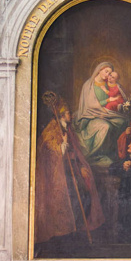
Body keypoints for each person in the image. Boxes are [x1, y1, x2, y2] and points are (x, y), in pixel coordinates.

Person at [35, 99, 104, 248]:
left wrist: (80, 166)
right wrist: (62, 146)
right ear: (61, 115)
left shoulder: (68, 129)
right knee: (69, 196)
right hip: (59, 173)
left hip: (72, 169)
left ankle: (78, 228)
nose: (70, 115)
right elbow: (48, 149)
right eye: (67, 113)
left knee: (83, 191)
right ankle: (65, 233)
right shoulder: (52, 129)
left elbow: (76, 152)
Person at [74, 62, 129, 167]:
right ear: (99, 70)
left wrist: (119, 104)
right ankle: (94, 155)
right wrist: (108, 100)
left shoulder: (109, 84)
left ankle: (111, 152)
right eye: (106, 71)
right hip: (91, 115)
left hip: (106, 113)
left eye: (110, 73)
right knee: (105, 126)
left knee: (122, 122)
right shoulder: (89, 85)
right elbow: (90, 105)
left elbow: (116, 97)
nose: (108, 75)